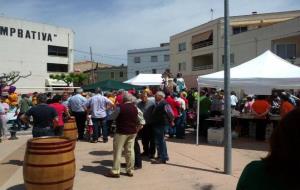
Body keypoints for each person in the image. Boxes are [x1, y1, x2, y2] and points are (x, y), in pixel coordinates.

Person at [237, 108, 300, 190]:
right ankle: (261, 138)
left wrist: (258, 114)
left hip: (257, 118)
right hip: (263, 118)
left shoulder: (254, 171)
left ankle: (258, 138)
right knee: (262, 130)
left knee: (258, 130)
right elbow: (267, 111)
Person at [106, 93, 145, 178]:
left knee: (118, 151)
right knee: (130, 151)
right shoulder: (135, 108)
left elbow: (111, 117)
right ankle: (130, 170)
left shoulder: (120, 107)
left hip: (121, 132)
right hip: (132, 132)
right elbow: (142, 120)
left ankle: (116, 171)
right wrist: (138, 127)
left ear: (124, 99)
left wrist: (110, 112)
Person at [151, 91, 174, 164]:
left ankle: (163, 157)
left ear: (161, 96)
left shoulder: (164, 103)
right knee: (159, 141)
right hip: (158, 124)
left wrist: (171, 120)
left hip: (161, 124)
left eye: (156, 95)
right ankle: (162, 156)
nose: (155, 96)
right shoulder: (159, 103)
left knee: (161, 141)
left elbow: (170, 113)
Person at [137, 92, 156, 158]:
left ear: (147, 96)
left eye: (144, 97)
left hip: (151, 124)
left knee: (152, 139)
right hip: (143, 124)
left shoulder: (152, 103)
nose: (143, 98)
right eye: (142, 97)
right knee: (144, 139)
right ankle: (146, 151)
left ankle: (152, 153)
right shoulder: (138, 104)